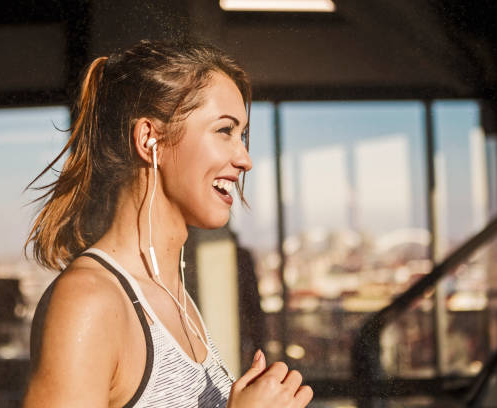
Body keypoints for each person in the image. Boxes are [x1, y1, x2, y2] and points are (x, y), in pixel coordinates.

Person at [22, 40, 313, 408]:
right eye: (225, 131)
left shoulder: (173, 296)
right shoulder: (90, 302)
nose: (245, 159)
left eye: (242, 136)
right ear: (150, 139)